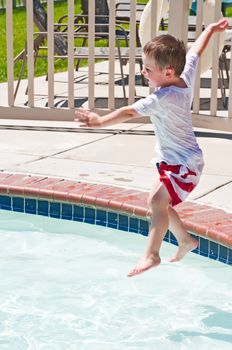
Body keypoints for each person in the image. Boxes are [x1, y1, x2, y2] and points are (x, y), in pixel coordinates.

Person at [75, 18, 229, 277]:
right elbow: (194, 52)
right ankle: (185, 240)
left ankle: (152, 254)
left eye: (148, 69)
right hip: (177, 160)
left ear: (168, 72)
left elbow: (128, 111)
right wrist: (211, 30)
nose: (144, 72)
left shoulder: (163, 97)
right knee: (160, 204)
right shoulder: (184, 77)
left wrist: (99, 120)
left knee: (157, 201)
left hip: (184, 164)